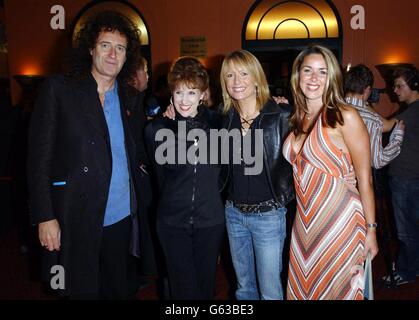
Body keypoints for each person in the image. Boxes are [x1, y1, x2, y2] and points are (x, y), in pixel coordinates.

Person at [27, 11, 156, 299]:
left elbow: (140, 150)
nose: (113, 54)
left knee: (118, 289)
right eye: (105, 45)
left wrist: (173, 122)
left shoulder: (130, 97)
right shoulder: (59, 90)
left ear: (127, 57)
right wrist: (45, 216)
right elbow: (38, 161)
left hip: (121, 215)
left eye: (120, 48)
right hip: (74, 214)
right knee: (79, 290)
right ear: (90, 49)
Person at [283, 45, 378, 300]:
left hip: (341, 222)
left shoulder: (344, 115)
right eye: (308, 70)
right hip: (304, 223)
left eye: (322, 72)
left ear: (332, 77)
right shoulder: (296, 116)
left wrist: (371, 229)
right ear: (297, 75)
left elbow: (365, 179)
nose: (314, 78)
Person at [144, 56, 225, 300]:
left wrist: (278, 104)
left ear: (203, 94)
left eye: (191, 92)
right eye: (179, 92)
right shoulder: (156, 131)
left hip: (210, 222)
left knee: (205, 287)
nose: (184, 100)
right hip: (172, 223)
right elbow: (160, 180)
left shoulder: (220, 127)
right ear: (171, 93)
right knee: (182, 289)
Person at [219, 50, 294, 300]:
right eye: (230, 75)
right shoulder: (223, 118)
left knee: (270, 292)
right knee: (243, 289)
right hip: (233, 214)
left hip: (268, 217)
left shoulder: (281, 115)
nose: (237, 81)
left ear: (256, 79)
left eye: (243, 74)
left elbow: (309, 153)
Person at [383, 66, 419, 286]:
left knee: (406, 231)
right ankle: (412, 265)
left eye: (399, 85)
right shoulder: (409, 110)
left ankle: (406, 272)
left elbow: (386, 126)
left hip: (407, 180)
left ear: (414, 86)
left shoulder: (414, 111)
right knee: (412, 228)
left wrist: (358, 108)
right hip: (409, 178)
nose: (395, 90)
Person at [344, 64, 405, 169]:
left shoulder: (330, 108)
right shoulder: (371, 119)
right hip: (354, 179)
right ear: (367, 89)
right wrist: (398, 137)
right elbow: (377, 161)